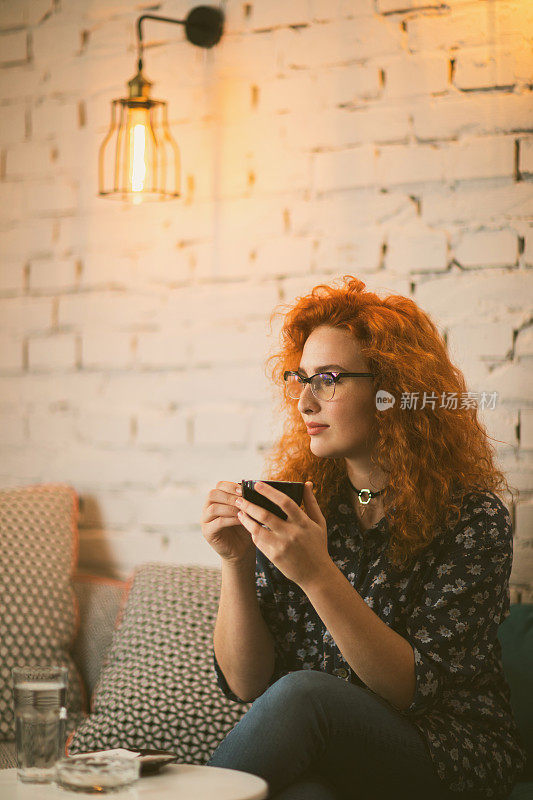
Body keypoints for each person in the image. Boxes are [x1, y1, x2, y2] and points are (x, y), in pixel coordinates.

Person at [200, 276, 527, 800]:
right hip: (335, 751)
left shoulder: (471, 519)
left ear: (391, 391)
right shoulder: (314, 507)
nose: (305, 401)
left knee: (306, 694)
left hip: (445, 751)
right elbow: (247, 684)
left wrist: (316, 573)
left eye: (327, 378)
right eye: (299, 378)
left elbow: (410, 691)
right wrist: (235, 561)